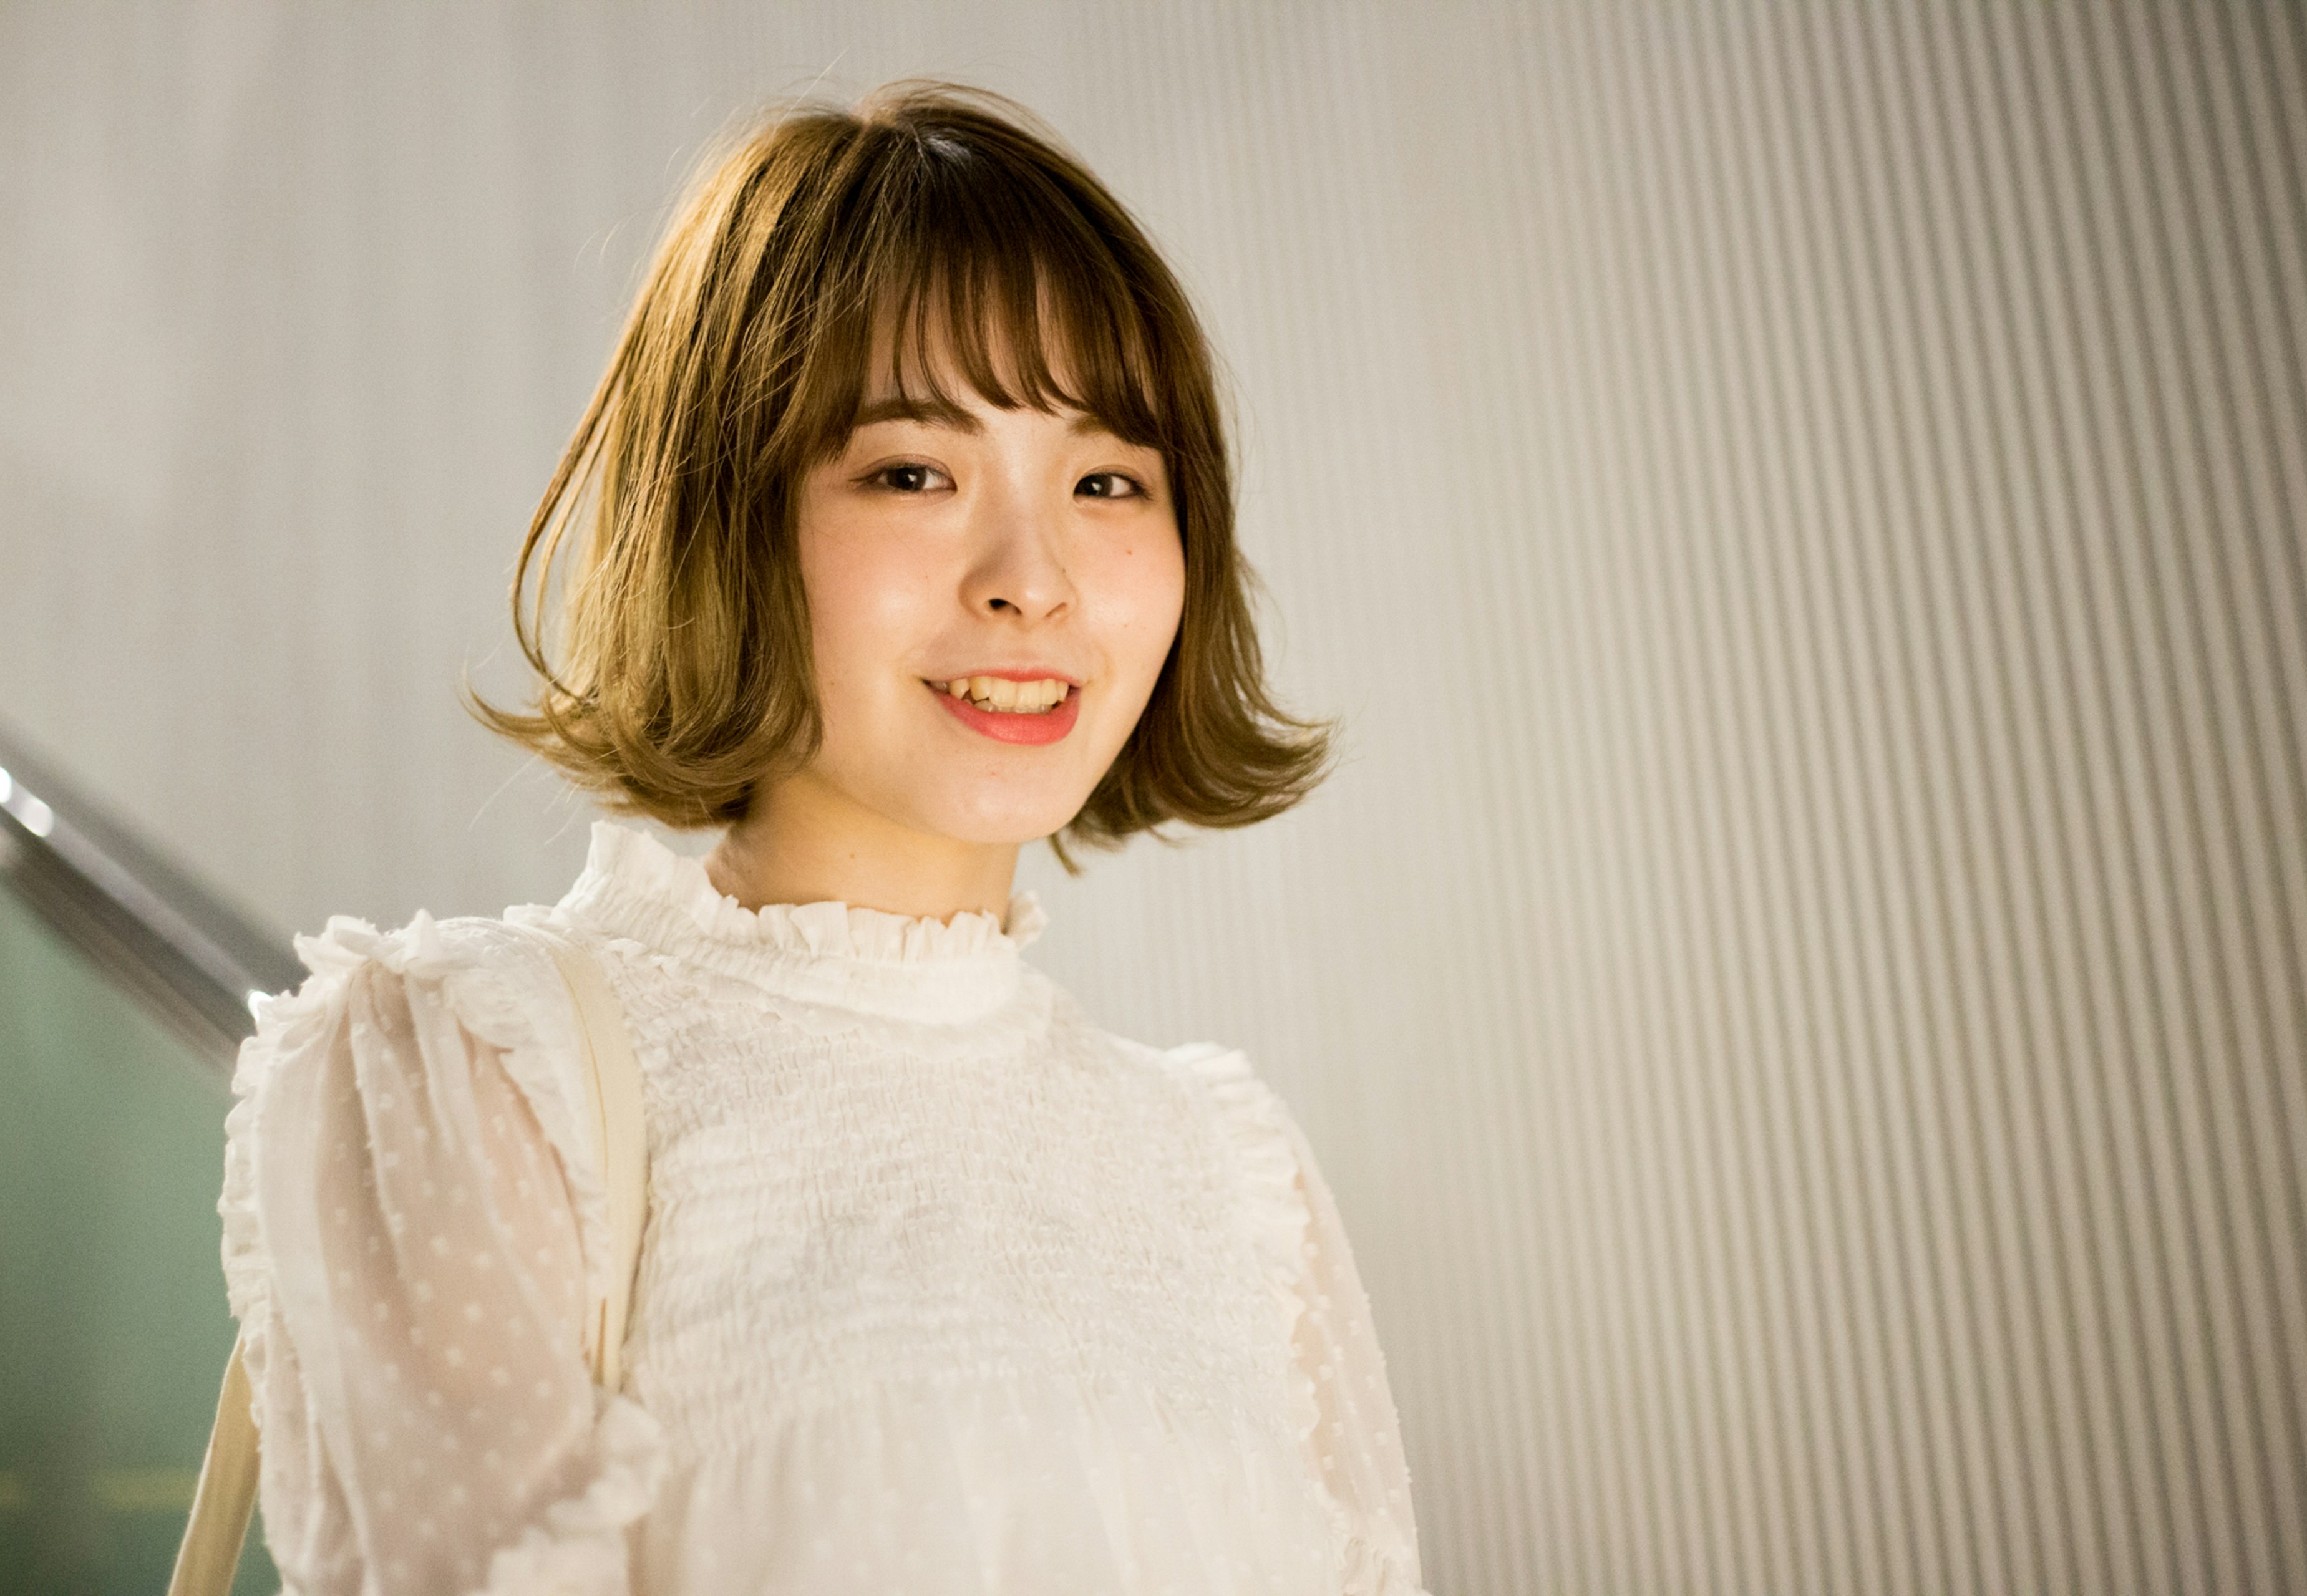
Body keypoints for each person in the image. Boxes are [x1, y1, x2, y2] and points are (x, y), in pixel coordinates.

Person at [219, 80, 1429, 1595]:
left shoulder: (1233, 1172)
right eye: (914, 472)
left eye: (1108, 480)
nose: (1032, 578)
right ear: (726, 515)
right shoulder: (471, 1067)